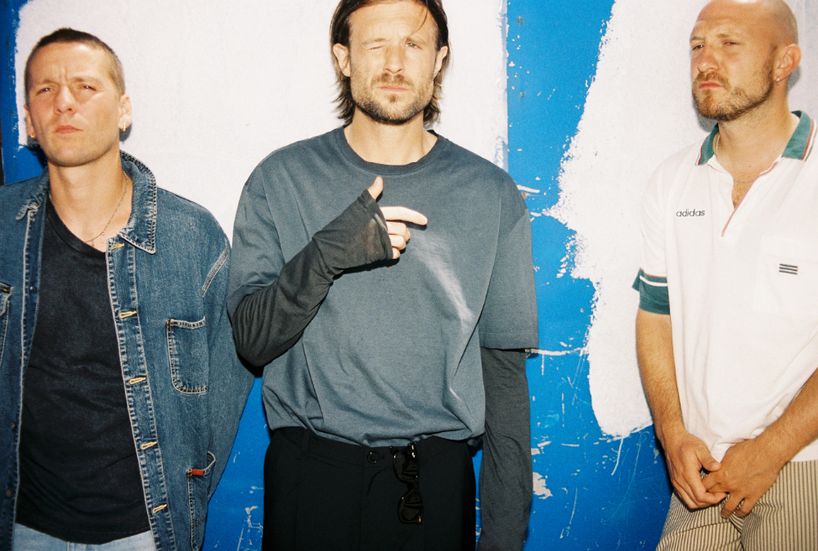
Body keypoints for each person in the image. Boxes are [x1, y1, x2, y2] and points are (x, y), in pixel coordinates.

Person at [228, 0, 538, 549]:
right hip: (310, 480)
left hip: (434, 483)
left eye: (413, 44)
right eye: (376, 44)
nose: (395, 62)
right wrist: (327, 254)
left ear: (439, 60)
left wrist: (505, 534)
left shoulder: (490, 194)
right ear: (343, 58)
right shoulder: (281, 178)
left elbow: (504, 376)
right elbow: (251, 341)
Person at [0, 28, 253, 551]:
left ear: (123, 111)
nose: (64, 101)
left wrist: (190, 484)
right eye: (46, 89)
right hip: (22, 527)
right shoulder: (4, 226)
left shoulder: (190, 237)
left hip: (147, 532)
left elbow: (230, 375)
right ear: (29, 120)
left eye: (85, 86)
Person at [634, 0, 818, 549]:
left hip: (804, 466)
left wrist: (770, 451)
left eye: (729, 43)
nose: (706, 60)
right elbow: (655, 316)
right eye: (697, 45)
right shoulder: (672, 180)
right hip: (703, 473)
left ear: (785, 61)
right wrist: (672, 433)